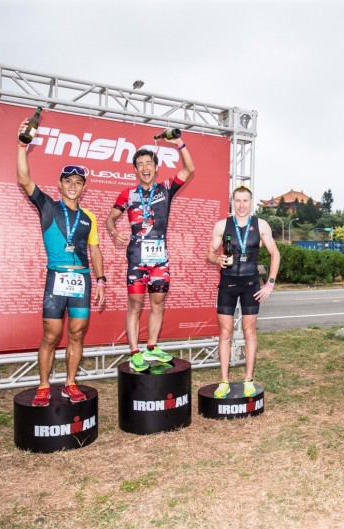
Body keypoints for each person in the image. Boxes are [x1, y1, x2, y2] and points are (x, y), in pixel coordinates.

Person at [16, 120, 106, 407]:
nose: (73, 186)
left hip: (82, 280)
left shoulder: (89, 217)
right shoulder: (48, 206)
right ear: (60, 184)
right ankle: (44, 386)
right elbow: (24, 179)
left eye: (78, 182)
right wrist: (22, 145)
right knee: (51, 335)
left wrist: (101, 281)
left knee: (77, 334)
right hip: (56, 278)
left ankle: (70, 383)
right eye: (68, 181)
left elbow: (95, 250)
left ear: (84, 187)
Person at [105, 135, 194, 371]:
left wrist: (179, 143)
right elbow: (110, 218)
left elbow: (189, 168)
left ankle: (152, 347)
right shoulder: (127, 194)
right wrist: (114, 232)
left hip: (159, 259)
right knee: (135, 304)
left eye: (149, 163)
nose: (145, 168)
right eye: (140, 164)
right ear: (135, 170)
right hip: (136, 257)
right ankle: (135, 351)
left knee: (158, 302)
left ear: (156, 167)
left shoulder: (166, 189)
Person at [206, 186, 281, 398]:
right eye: (237, 200)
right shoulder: (222, 225)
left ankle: (248, 379)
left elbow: (275, 254)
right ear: (232, 202)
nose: (241, 205)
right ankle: (224, 381)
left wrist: (270, 283)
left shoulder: (261, 225)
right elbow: (210, 253)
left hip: (250, 285)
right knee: (225, 333)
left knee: (249, 332)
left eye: (245, 201)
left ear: (251, 202)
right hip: (227, 284)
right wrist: (217, 259)